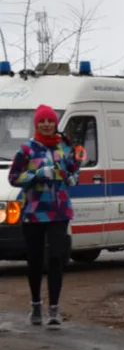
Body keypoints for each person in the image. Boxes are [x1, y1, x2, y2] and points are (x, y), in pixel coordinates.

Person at [7, 104, 79, 328]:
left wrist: (73, 176)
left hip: (59, 211)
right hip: (34, 211)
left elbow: (74, 168)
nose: (47, 125)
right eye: (42, 121)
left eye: (50, 121)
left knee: (57, 257)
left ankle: (54, 309)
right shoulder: (27, 150)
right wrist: (37, 174)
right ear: (36, 124)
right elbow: (14, 178)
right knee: (35, 260)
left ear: (55, 124)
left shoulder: (64, 147)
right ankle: (36, 304)